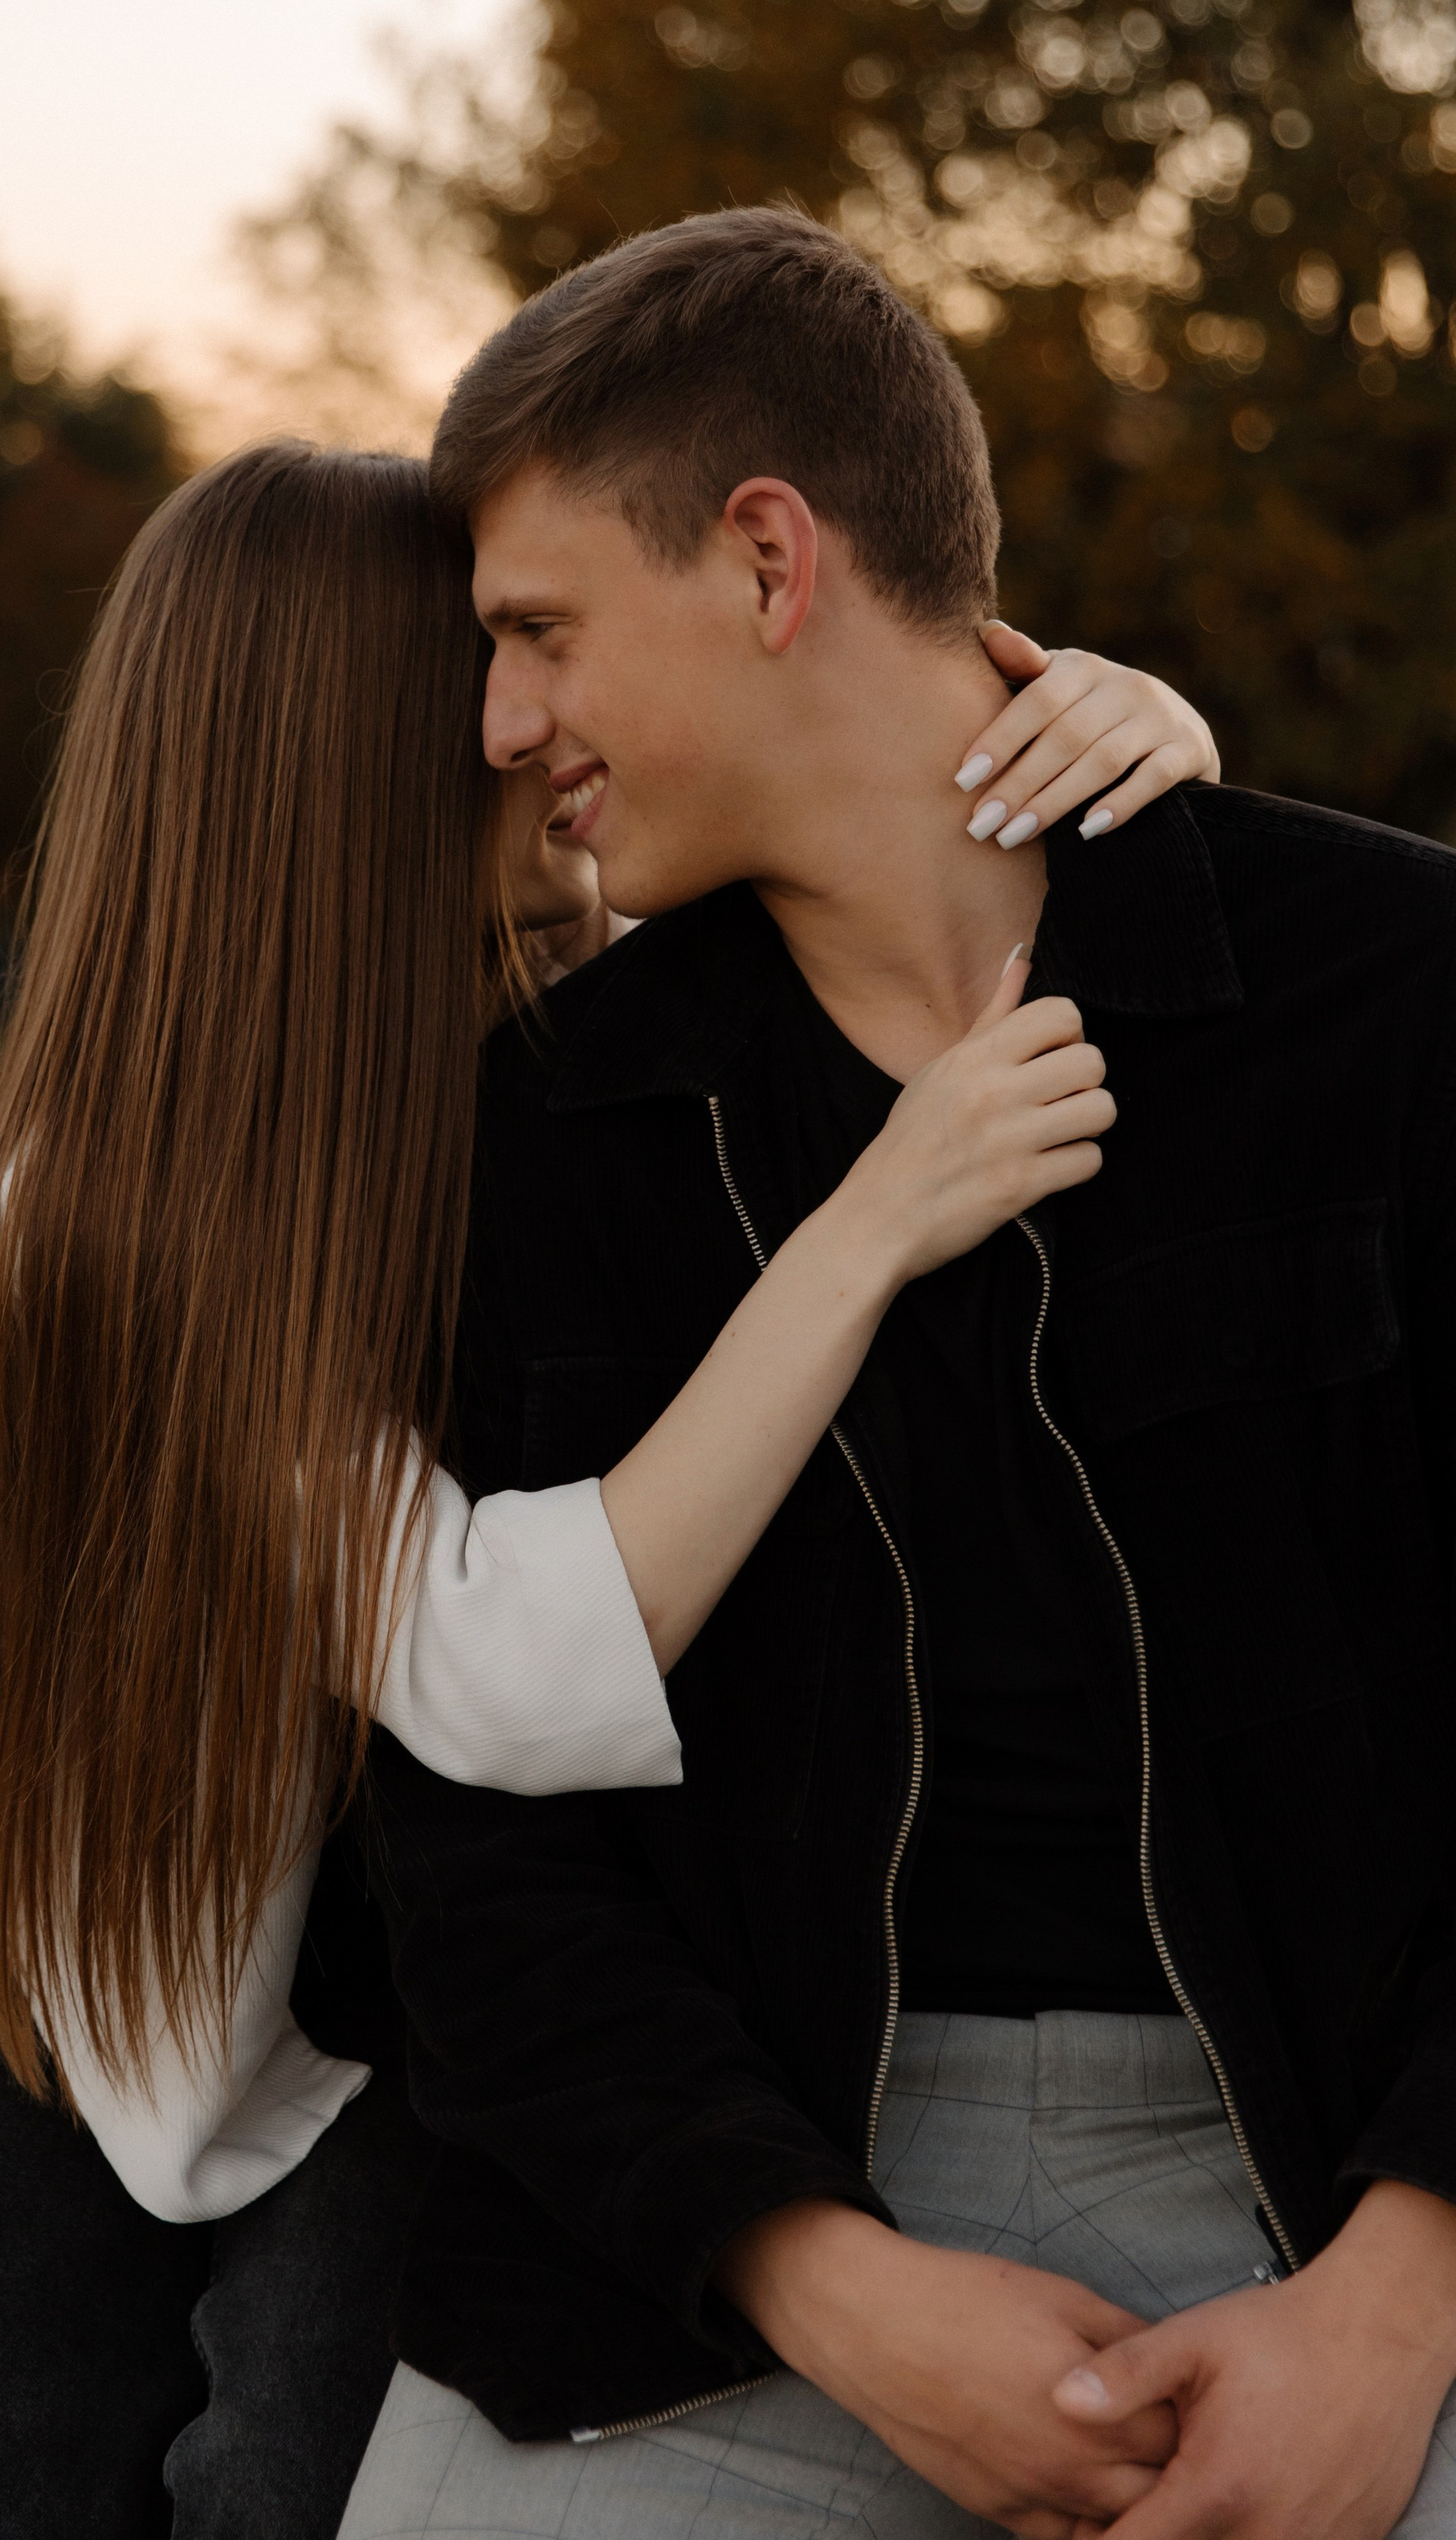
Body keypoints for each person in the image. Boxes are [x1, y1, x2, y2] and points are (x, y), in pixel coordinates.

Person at [0, 438, 1216, 2540]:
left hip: (410, 2017)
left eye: (542, 651)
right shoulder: (114, 1183)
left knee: (296, 2484)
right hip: (72, 2007)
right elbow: (497, 1660)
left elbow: (884, 835)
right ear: (358, 755)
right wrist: (875, 1215)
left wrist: (1136, 730)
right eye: (492, 669)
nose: (537, 721)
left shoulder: (585, 1036)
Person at [336, 206, 1456, 2540]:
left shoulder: (1395, 999)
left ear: (768, 559)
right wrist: (818, 2278)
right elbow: (472, 1867)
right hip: (737, 2204)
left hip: (1364, 2163)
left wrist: (1406, 2287)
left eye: (536, 632)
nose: (501, 724)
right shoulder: (540, 1133)